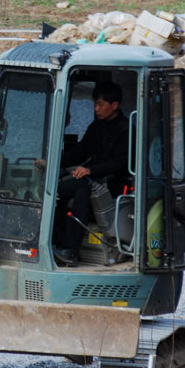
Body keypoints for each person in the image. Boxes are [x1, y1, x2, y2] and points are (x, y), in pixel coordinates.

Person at [53, 81, 129, 266]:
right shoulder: (96, 127)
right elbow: (81, 151)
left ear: (114, 105)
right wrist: (53, 163)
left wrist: (90, 170)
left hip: (113, 183)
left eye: (100, 105)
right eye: (95, 104)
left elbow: (119, 163)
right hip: (92, 178)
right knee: (53, 190)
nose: (96, 109)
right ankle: (54, 241)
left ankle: (71, 250)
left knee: (82, 192)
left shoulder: (126, 129)